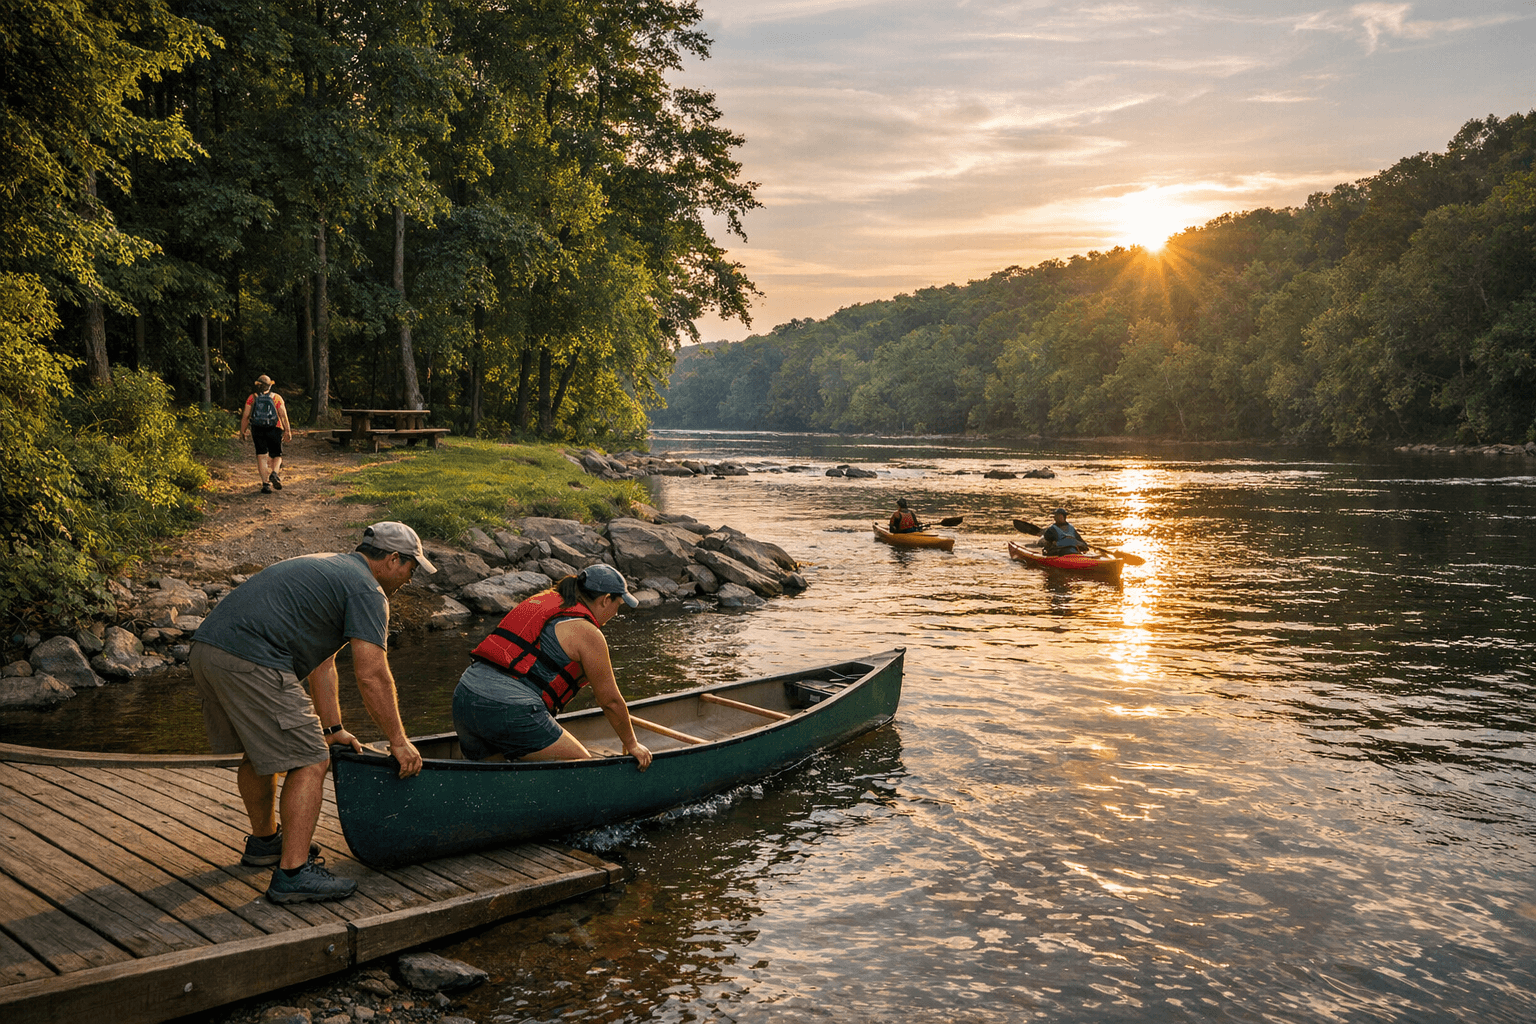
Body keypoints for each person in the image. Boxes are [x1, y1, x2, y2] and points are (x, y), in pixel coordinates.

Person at [188, 522, 433, 904]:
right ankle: (293, 874)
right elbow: (372, 676)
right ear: (391, 559)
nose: (410, 577)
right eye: (411, 568)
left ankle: (265, 843)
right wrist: (398, 741)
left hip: (208, 651)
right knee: (310, 761)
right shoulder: (368, 590)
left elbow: (323, 664)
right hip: (251, 658)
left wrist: (333, 728)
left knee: (260, 751)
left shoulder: (333, 567)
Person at [453, 564, 654, 771]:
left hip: (464, 700)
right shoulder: (588, 633)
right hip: (507, 709)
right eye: (618, 605)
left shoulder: (543, 602)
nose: (616, 613)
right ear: (605, 600)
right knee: (583, 769)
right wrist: (632, 745)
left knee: (496, 779)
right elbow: (610, 701)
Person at [239, 374, 292, 494]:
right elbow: (283, 416)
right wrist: (287, 431)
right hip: (275, 428)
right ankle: (274, 473)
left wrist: (242, 431)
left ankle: (265, 484)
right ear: (270, 385)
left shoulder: (252, 398)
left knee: (261, 456)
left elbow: (246, 416)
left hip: (257, 429)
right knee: (276, 455)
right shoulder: (277, 398)